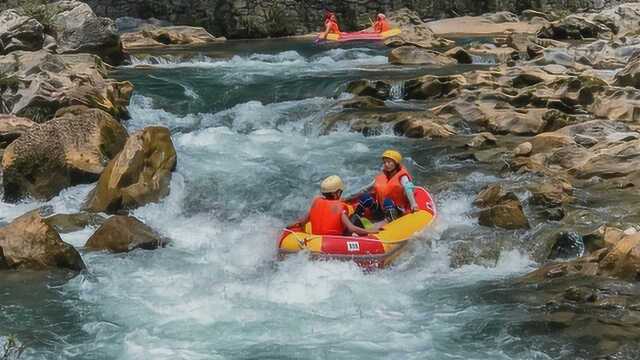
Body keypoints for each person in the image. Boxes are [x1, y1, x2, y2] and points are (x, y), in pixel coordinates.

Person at [294, 175, 380, 236]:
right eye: (340, 192)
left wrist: (294, 228)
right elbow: (351, 228)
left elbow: (302, 222)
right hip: (335, 242)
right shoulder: (339, 207)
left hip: (316, 240)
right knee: (354, 218)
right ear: (337, 193)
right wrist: (370, 231)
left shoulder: (316, 203)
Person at [348, 150, 418, 221]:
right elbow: (365, 189)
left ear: (396, 163)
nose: (386, 164)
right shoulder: (382, 176)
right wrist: (350, 197)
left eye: (389, 162)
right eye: (384, 162)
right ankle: (354, 221)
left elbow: (408, 187)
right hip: (381, 210)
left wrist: (413, 204)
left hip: (398, 210)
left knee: (387, 202)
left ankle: (391, 223)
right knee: (365, 198)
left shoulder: (402, 177)